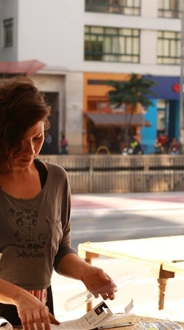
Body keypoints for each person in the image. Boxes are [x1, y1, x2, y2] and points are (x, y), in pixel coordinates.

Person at [0, 76, 117, 329]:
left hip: (41, 309)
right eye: (19, 142)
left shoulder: (56, 179)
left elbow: (60, 251)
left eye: (37, 138)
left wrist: (85, 271)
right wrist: (20, 297)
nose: (30, 151)